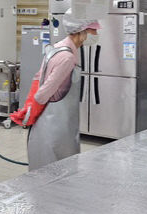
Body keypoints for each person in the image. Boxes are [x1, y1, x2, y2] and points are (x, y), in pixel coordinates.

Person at [10, 11, 101, 171]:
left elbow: (38, 78)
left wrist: (30, 110)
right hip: (54, 124)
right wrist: (32, 112)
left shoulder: (58, 47)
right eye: (93, 30)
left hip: (57, 121)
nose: (95, 34)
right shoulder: (67, 57)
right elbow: (44, 92)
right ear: (81, 31)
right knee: (55, 171)